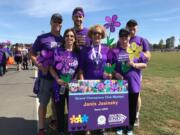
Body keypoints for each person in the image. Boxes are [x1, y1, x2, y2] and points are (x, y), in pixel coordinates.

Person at [29, 13, 63, 135]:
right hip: (45, 77)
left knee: (56, 102)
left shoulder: (63, 39)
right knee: (43, 103)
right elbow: (31, 53)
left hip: (59, 78)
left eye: (59, 21)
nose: (57, 23)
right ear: (50, 22)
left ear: (61, 23)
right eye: (55, 21)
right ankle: (42, 128)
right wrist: (38, 65)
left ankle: (54, 121)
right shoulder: (42, 38)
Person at [112, 28, 148, 135]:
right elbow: (110, 66)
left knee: (132, 107)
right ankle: (119, 125)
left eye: (126, 37)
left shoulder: (135, 50)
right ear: (119, 38)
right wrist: (115, 73)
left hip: (133, 84)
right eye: (122, 37)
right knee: (119, 106)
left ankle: (129, 127)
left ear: (129, 38)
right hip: (119, 85)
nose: (124, 40)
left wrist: (134, 65)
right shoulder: (115, 51)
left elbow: (145, 64)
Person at [79, 24, 112, 135]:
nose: (97, 35)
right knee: (88, 106)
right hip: (88, 83)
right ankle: (87, 128)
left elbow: (109, 65)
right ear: (91, 35)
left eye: (99, 33)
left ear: (102, 35)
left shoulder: (106, 49)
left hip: (102, 84)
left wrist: (109, 73)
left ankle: (101, 127)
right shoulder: (85, 50)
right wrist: (82, 82)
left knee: (101, 106)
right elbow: (81, 69)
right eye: (94, 33)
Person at [50, 28, 80, 135]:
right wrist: (57, 79)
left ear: (75, 39)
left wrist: (75, 79)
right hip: (59, 85)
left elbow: (79, 69)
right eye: (67, 35)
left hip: (73, 85)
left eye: (72, 36)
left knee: (73, 109)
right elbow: (51, 68)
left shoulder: (77, 53)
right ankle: (61, 130)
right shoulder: (57, 51)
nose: (69, 38)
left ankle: (72, 130)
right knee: (59, 110)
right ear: (64, 38)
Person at [126, 19, 151, 127]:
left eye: (133, 28)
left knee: (137, 95)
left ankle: (136, 116)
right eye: (129, 28)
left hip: (136, 73)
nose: (131, 30)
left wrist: (136, 52)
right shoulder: (123, 39)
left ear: (137, 28)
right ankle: (126, 115)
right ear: (127, 28)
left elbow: (148, 56)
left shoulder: (142, 40)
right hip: (124, 73)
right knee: (125, 95)